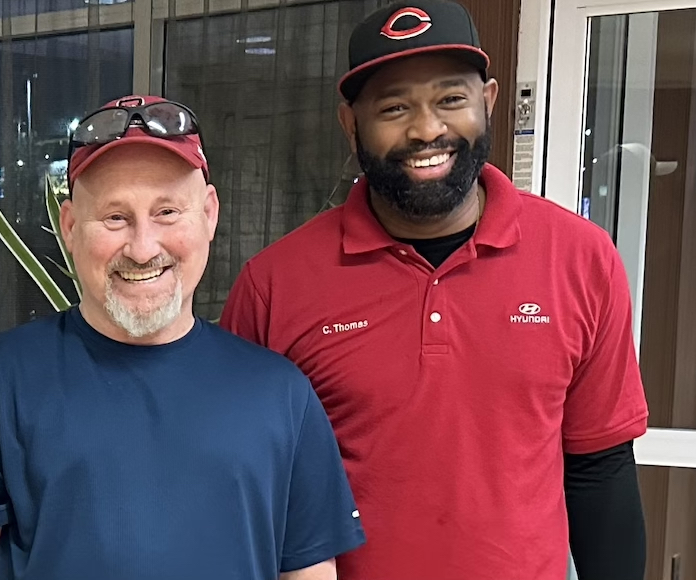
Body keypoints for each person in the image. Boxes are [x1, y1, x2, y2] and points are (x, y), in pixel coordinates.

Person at [221, 2, 650, 579]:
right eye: (394, 107)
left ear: (489, 101)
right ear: (351, 125)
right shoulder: (275, 286)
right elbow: (242, 491)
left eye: (451, 99)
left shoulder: (581, 258)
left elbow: (600, 468)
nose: (426, 129)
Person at [0, 95, 365, 580]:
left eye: (168, 212)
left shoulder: (282, 395)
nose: (143, 247)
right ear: (69, 226)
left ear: (210, 214)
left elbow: (309, 572)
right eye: (115, 217)